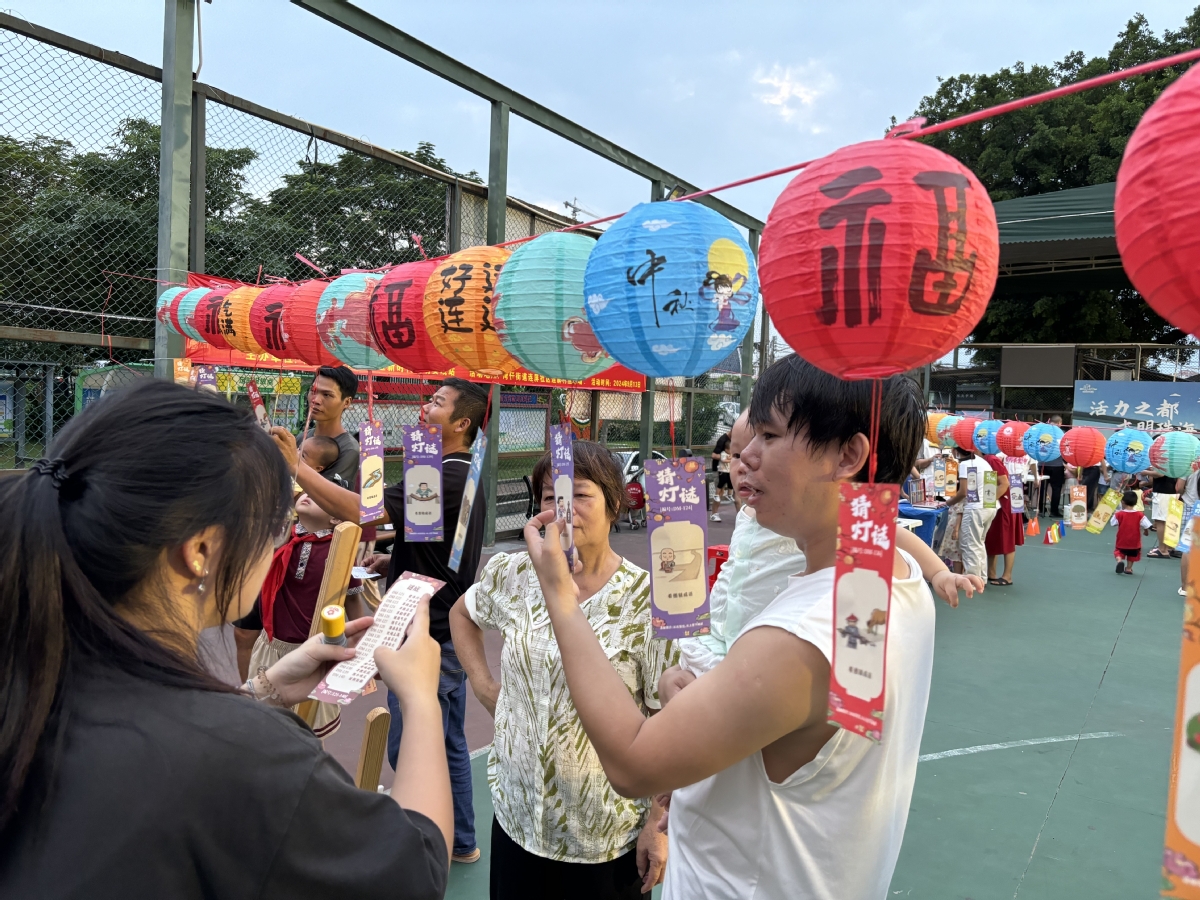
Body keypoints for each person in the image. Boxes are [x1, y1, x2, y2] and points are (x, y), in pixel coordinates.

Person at [0, 380, 452, 898]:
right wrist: (420, 699)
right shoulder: (250, 755)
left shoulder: (31, 670)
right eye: (273, 522)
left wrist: (261, 692)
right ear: (201, 550)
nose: (279, 535)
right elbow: (415, 869)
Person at [519, 354, 941, 899]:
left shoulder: (800, 638)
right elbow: (810, 737)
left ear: (849, 455)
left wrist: (561, 595)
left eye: (769, 434)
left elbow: (632, 762)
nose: (746, 457)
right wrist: (714, 696)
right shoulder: (885, 574)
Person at [274, 376, 490, 864]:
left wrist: (297, 468)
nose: (424, 408)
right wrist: (393, 558)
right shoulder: (459, 469)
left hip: (427, 629)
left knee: (413, 743)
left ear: (462, 423)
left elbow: (367, 512)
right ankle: (460, 842)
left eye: (436, 403)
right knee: (446, 736)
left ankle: (429, 844)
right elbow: (429, 535)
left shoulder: (445, 471)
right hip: (442, 622)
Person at [450, 441, 675, 898]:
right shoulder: (514, 573)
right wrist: (482, 684)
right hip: (518, 817)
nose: (563, 509)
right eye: (552, 497)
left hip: (603, 835)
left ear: (615, 503)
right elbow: (462, 613)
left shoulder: (648, 600)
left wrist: (659, 822)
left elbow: (670, 724)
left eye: (581, 495)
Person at [672, 411, 982, 680]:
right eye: (736, 455)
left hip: (763, 641)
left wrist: (939, 573)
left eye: (767, 439)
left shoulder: (807, 516)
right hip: (720, 635)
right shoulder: (753, 515)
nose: (744, 463)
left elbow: (893, 533)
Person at [242, 492, 369, 738]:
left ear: (334, 518)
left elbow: (352, 597)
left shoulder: (339, 550)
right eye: (306, 491)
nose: (307, 495)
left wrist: (359, 640)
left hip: (315, 646)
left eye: (321, 497)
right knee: (267, 723)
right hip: (274, 643)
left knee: (309, 728)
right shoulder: (281, 538)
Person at [947, 444, 1008, 580]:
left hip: (975, 508)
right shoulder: (984, 462)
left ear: (956, 450)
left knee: (969, 545)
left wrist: (948, 503)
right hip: (989, 506)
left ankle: (972, 580)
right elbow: (990, 486)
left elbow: (963, 492)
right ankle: (981, 578)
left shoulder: (965, 465)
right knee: (978, 543)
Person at [305, 365, 361, 486]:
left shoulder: (349, 449)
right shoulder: (302, 437)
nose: (316, 400)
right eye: (313, 391)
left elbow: (325, 498)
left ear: (346, 402)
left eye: (327, 395)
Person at [984, 447, 1018, 586]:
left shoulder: (991, 459)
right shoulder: (986, 459)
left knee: (1007, 539)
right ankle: (991, 573)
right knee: (992, 537)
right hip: (995, 502)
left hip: (1004, 503)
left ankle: (1007, 576)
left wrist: (988, 503)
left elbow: (1004, 483)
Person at [1113, 490, 1152, 575]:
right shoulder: (1139, 515)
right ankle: (1129, 568)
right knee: (1132, 555)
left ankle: (1119, 561)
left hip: (1122, 539)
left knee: (1118, 551)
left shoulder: (1119, 514)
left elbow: (1113, 523)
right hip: (1135, 541)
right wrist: (1146, 531)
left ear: (1123, 502)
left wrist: (1115, 514)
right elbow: (1147, 525)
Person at [1150, 470, 1181, 560]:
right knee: (1171, 521)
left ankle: (1162, 549)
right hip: (1174, 491)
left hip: (1163, 492)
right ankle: (1170, 547)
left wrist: (1144, 472)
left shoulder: (1163, 457)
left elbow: (1160, 473)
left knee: (1161, 521)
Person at [1179, 466, 1200, 596]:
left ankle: (1185, 587)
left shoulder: (1188, 464)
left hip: (1192, 507)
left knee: (1188, 548)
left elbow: (1179, 487)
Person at [1042, 414, 1066, 517]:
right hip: (1056, 465)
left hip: (1042, 463)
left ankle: (1040, 509)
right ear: (1060, 423)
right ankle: (1054, 511)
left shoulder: (1041, 431)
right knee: (1056, 488)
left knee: (1042, 487)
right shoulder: (1062, 434)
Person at [710, 430, 731, 522]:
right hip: (720, 470)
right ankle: (714, 514)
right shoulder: (723, 440)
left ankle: (740, 514)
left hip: (730, 469)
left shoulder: (738, 438)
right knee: (720, 490)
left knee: (733, 490)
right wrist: (726, 457)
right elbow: (714, 455)